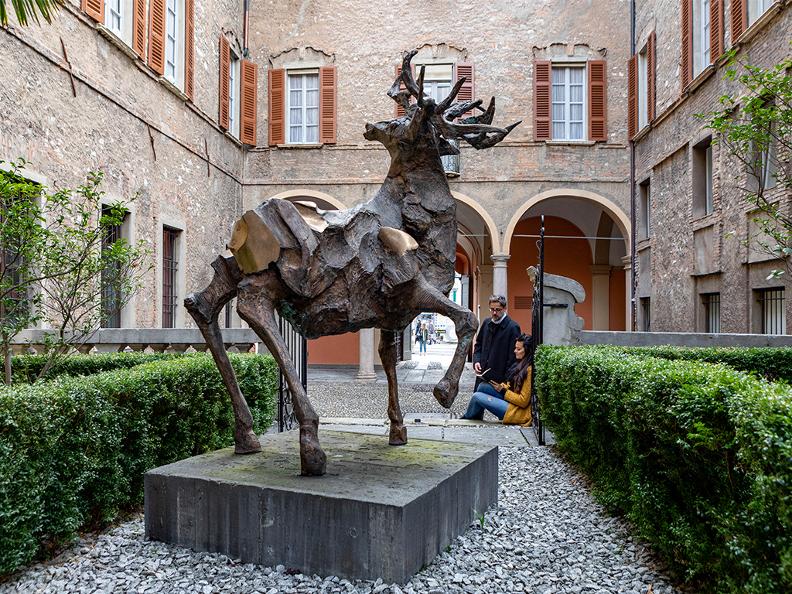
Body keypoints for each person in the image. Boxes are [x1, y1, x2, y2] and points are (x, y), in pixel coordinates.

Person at [461, 333, 534, 425]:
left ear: (527, 351)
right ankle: (475, 416)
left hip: (517, 412)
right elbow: (513, 388)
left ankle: (467, 418)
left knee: (476, 396)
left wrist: (503, 391)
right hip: (512, 403)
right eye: (515, 348)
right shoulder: (521, 364)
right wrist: (500, 385)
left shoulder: (529, 370)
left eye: (518, 349)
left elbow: (523, 401)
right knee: (482, 387)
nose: (515, 351)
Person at [473, 294, 521, 388]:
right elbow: (478, 345)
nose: (494, 313)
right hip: (482, 376)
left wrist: (506, 382)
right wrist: (477, 361)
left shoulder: (513, 327)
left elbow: (513, 358)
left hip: (499, 381)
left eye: (498, 310)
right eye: (492, 309)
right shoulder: (486, 323)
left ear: (505, 309)